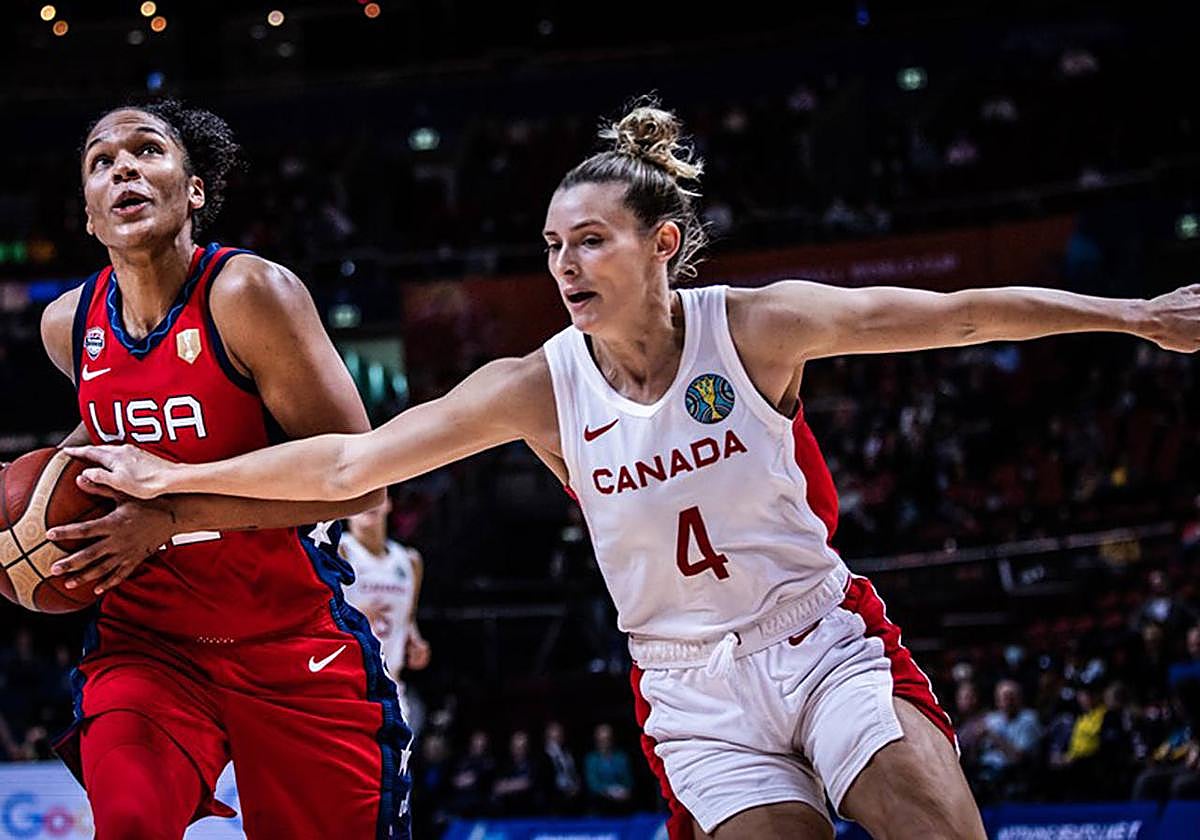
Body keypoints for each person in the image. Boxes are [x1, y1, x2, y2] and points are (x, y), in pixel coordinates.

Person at [60, 98, 1200, 840]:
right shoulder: (535, 384)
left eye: (590, 238)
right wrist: (175, 495)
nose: (564, 262)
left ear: (661, 242)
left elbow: (957, 316)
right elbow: (357, 459)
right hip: (690, 690)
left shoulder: (757, 326)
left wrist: (1140, 315)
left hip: (817, 638)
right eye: (552, 245)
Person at [39, 100, 411, 839]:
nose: (123, 169)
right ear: (88, 216)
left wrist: (171, 516)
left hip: (287, 634)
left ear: (195, 188)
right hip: (150, 643)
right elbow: (111, 432)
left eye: (147, 151)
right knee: (132, 823)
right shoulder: (68, 326)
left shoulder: (247, 295)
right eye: (100, 162)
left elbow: (363, 479)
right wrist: (35, 522)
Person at [340, 495, 431, 733]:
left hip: (391, 686)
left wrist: (416, 643)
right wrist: (354, 617)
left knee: (393, 769)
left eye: (376, 491)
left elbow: (408, 621)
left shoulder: (409, 560)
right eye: (359, 494)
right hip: (347, 688)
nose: (368, 500)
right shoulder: (340, 552)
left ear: (389, 503)